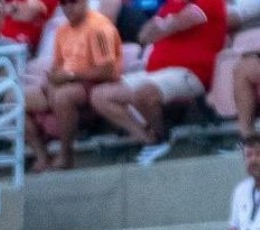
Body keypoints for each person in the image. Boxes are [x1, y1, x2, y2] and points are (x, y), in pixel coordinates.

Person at [89, 0, 226, 166]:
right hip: (156, 74)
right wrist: (168, 23)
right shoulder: (173, 4)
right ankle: (149, 139)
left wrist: (164, 24)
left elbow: (186, 20)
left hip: (190, 73)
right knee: (100, 95)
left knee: (144, 92)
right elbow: (144, 35)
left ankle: (162, 138)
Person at [22, 0, 121, 172]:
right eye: (64, 3)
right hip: (67, 83)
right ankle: (42, 156)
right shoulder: (62, 31)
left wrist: (71, 76)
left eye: (73, 2)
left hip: (94, 84)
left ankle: (66, 155)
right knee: (16, 99)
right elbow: (57, 67)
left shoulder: (100, 27)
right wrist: (54, 80)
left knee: (63, 96)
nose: (68, 7)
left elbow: (109, 71)